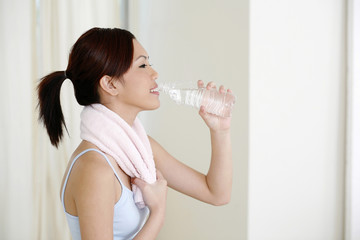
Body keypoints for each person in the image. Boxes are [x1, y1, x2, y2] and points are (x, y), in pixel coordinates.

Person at [37, 27, 233, 240]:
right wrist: (157, 214)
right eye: (142, 65)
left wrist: (220, 131)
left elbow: (216, 193)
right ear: (110, 84)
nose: (154, 73)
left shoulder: (141, 148)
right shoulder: (95, 169)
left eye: (150, 63)